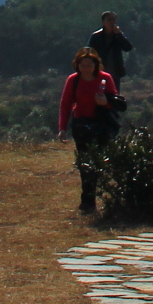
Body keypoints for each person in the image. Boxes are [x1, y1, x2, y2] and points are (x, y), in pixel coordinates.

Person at [57, 46, 122, 212]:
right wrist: (62, 128)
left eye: (89, 64)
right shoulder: (73, 80)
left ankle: (106, 197)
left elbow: (115, 103)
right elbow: (65, 104)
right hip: (81, 125)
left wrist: (104, 103)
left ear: (96, 65)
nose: (86, 68)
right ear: (77, 65)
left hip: (101, 125)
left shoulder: (105, 78)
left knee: (101, 161)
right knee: (85, 163)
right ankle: (87, 201)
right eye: (83, 64)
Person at [88, 12, 134, 87]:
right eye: (109, 19)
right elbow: (89, 53)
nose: (111, 22)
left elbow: (128, 48)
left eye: (113, 19)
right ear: (103, 22)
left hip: (115, 72)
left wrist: (119, 35)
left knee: (114, 95)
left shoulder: (118, 36)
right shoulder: (96, 37)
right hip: (100, 72)